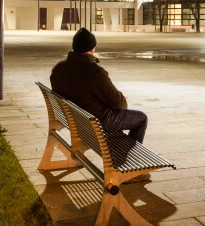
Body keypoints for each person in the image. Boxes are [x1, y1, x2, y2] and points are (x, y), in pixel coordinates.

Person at [50, 28, 151, 182]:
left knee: (119, 118)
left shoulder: (59, 68)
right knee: (141, 118)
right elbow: (120, 104)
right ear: (92, 48)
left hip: (77, 122)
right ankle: (127, 169)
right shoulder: (95, 72)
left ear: (75, 47)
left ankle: (121, 161)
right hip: (97, 122)